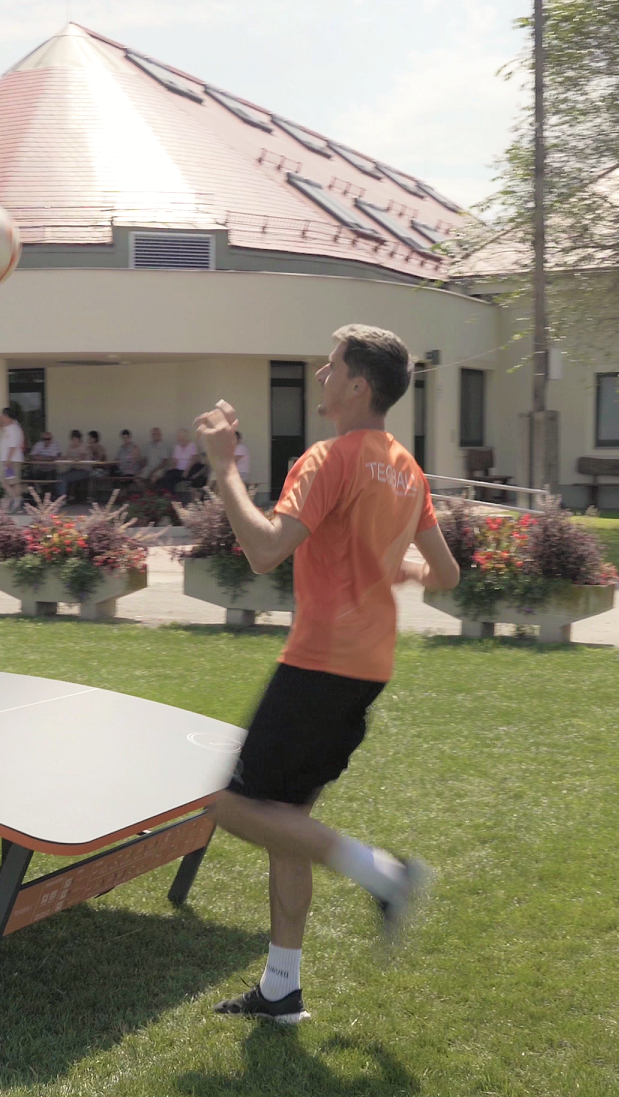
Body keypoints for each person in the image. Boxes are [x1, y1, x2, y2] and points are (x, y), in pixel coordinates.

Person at [191, 324, 460, 1024]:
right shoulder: (406, 469)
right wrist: (393, 566)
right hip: (367, 667)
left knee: (227, 807)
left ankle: (385, 875)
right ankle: (282, 989)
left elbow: (264, 552)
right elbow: (447, 573)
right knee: (286, 823)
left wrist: (223, 466)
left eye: (331, 365)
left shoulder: (327, 459)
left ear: (358, 385)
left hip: (319, 663)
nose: (320, 374)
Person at [0, 407, 25, 510]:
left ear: (8, 416)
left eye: (3, 416)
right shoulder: (10, 427)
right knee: (9, 482)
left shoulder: (13, 428)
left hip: (12, 460)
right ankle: (16, 500)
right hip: (9, 460)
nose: (2, 418)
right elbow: (0, 425)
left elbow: (13, 445)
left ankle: (17, 500)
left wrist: (8, 460)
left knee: (12, 482)